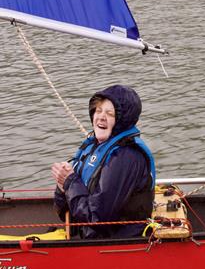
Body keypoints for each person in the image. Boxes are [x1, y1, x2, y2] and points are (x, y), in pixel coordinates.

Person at [52, 85, 155, 239]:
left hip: (114, 243)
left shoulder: (126, 157)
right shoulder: (93, 146)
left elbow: (98, 217)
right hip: (87, 235)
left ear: (121, 120)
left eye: (109, 113)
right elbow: (69, 211)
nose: (100, 117)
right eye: (98, 111)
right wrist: (62, 188)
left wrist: (70, 182)